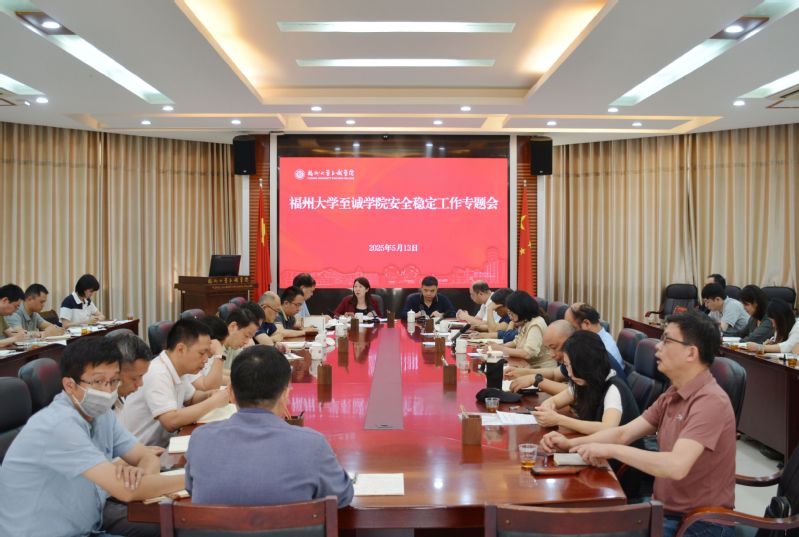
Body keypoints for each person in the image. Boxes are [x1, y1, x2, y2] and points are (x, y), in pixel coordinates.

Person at [541, 311, 736, 537]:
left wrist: (610, 450)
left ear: (691, 353)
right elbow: (623, 433)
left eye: (667, 340)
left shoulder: (710, 401)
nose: (657, 347)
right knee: (578, 524)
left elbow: (676, 465)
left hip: (699, 524)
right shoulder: (673, 394)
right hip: (664, 510)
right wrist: (570, 444)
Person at [0, 337, 184, 537]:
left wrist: (141, 477)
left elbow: (147, 456)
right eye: (98, 381)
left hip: (91, 522)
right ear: (70, 385)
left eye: (113, 381)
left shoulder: (101, 413)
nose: (108, 390)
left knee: (178, 527)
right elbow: (127, 491)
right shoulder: (58, 426)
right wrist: (191, 480)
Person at [185, 345, 354, 507]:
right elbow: (342, 496)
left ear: (231, 393)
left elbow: (192, 489)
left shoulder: (200, 440)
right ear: (285, 394)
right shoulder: (312, 445)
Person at [119, 319, 230, 447]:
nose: (206, 359)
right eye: (201, 353)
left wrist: (210, 395)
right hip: (140, 451)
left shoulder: (178, 368)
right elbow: (171, 421)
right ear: (181, 349)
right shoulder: (157, 372)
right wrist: (213, 402)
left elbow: (191, 399)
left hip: (164, 446)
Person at [531, 331, 639, 434]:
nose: (569, 373)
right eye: (566, 365)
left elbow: (607, 428)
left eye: (572, 366)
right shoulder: (585, 381)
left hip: (620, 447)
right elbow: (555, 401)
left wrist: (559, 419)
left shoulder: (613, 388)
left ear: (586, 365)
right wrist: (547, 408)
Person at [486, 291, 556, 368]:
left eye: (511, 313)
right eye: (509, 313)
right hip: (525, 365)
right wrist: (496, 347)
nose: (510, 317)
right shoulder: (525, 322)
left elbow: (528, 353)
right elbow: (516, 342)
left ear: (520, 311)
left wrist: (501, 349)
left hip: (539, 369)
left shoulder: (536, 324)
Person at [505, 320, 575, 395]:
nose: (551, 354)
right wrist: (521, 372)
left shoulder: (581, 358)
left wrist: (535, 380)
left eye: (554, 347)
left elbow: (575, 392)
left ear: (571, 340)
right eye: (548, 349)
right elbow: (555, 374)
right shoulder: (568, 360)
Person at [564, 303, 626, 378]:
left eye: (573, 328)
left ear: (586, 323)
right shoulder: (595, 340)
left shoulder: (599, 351)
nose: (570, 334)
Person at [112, 332, 154, 416]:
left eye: (142, 376)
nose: (140, 384)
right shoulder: (94, 410)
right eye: (134, 378)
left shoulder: (117, 399)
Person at [191, 316, 230, 391]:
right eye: (219, 345)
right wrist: (219, 354)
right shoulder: (191, 358)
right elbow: (209, 387)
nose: (206, 360)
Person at [0, 283, 26, 348]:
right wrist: (15, 338)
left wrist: (21, 333)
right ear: (5, 300)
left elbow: (11, 333)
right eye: (15, 306)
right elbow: (14, 338)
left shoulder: (1, 315)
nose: (16, 310)